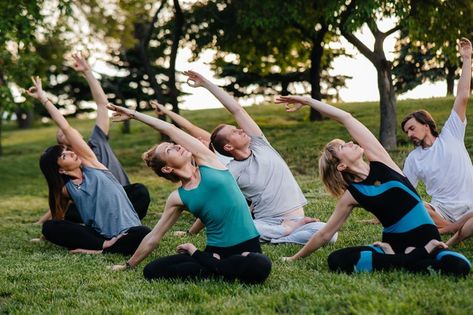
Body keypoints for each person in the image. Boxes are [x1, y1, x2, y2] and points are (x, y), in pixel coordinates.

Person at [275, 94, 471, 276]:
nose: (350, 142)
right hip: (398, 246)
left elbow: (346, 118)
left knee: (461, 266)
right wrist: (294, 258)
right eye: (343, 147)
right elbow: (325, 234)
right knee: (336, 260)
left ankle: (400, 260)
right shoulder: (353, 195)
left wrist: (308, 101)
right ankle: (416, 258)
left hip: (427, 241)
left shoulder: (381, 161)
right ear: (341, 165)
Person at [108, 104, 271, 284]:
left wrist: (134, 114)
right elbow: (154, 236)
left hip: (247, 248)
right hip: (216, 251)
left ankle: (208, 262)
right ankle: (217, 266)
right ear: (167, 168)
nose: (177, 146)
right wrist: (129, 265)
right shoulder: (178, 197)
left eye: (173, 145)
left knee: (260, 264)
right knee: (152, 270)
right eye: (170, 150)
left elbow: (170, 129)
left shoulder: (209, 161)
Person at [182, 70, 336, 245]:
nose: (241, 129)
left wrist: (206, 83)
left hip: (295, 219)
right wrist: (191, 232)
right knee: (237, 230)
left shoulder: (261, 146)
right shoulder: (230, 172)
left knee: (331, 235)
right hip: (266, 222)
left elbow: (236, 109)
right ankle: (285, 233)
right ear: (229, 147)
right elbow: (216, 203)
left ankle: (284, 233)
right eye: (234, 132)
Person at [27, 76, 150, 255]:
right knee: (50, 227)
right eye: (63, 155)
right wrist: (46, 234)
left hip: (129, 231)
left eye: (67, 150)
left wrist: (44, 99)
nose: (70, 152)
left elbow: (67, 128)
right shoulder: (66, 189)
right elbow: (58, 215)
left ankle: (98, 250)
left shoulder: (92, 164)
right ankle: (106, 245)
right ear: (60, 169)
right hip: (100, 235)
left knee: (143, 233)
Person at [36, 54, 149, 224]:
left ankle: (120, 219)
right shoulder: (69, 169)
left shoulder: (96, 142)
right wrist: (45, 222)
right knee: (69, 215)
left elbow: (102, 105)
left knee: (140, 191)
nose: (64, 132)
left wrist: (87, 72)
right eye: (62, 139)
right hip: (94, 207)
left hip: (122, 198)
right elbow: (61, 197)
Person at [401, 38, 473, 246]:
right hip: (441, 212)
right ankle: (452, 227)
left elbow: (462, 96)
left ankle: (450, 231)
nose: (410, 134)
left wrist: (467, 59)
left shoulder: (452, 132)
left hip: (470, 206)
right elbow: (405, 193)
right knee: (416, 206)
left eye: (412, 128)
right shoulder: (414, 159)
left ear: (426, 124)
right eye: (406, 132)